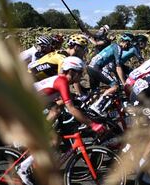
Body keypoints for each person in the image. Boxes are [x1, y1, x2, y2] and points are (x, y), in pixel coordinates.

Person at [17, 56, 105, 185]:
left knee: (56, 112)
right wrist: (92, 124)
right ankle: (23, 168)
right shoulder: (61, 81)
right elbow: (71, 109)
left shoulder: (61, 81)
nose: (81, 77)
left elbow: (60, 102)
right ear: (71, 71)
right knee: (54, 139)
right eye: (80, 73)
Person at [87, 32, 133, 115]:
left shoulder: (114, 46)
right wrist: (124, 83)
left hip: (91, 67)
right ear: (126, 42)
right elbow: (118, 67)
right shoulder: (118, 48)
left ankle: (88, 108)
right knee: (115, 86)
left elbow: (112, 66)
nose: (130, 47)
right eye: (130, 44)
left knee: (95, 91)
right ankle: (96, 107)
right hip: (96, 68)